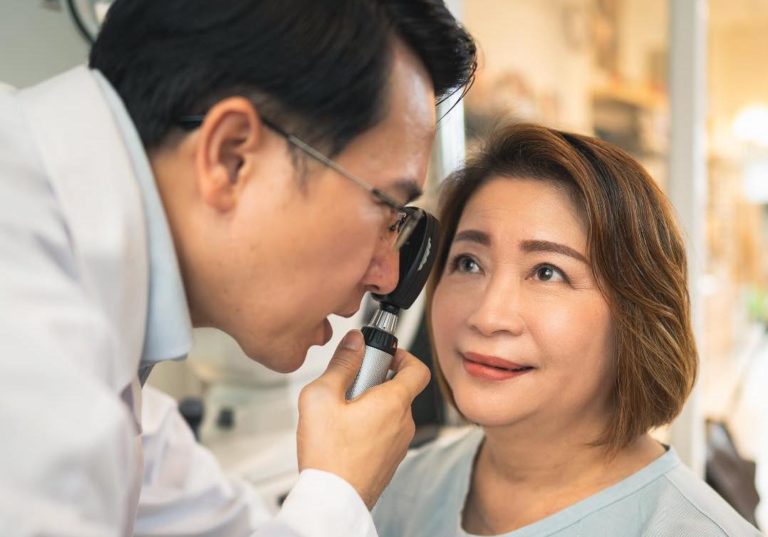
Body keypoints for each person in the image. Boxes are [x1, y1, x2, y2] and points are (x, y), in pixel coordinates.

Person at [0, 1, 476, 536]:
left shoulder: (97, 335)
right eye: (386, 208)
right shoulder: (28, 339)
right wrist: (338, 493)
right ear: (231, 158)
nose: (388, 276)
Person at [373, 123, 763, 536]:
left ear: (636, 315)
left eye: (547, 273)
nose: (488, 316)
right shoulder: (389, 491)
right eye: (469, 263)